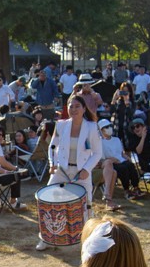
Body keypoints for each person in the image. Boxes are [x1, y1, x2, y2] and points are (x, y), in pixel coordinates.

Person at [39, 97, 103, 250]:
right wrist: (52, 164)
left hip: (81, 172)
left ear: (84, 108)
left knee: (86, 205)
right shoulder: (61, 125)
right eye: (70, 106)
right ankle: (45, 238)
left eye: (77, 106)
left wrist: (86, 169)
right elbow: (52, 147)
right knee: (46, 201)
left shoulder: (92, 127)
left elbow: (97, 152)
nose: (73, 109)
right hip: (61, 170)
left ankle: (87, 241)